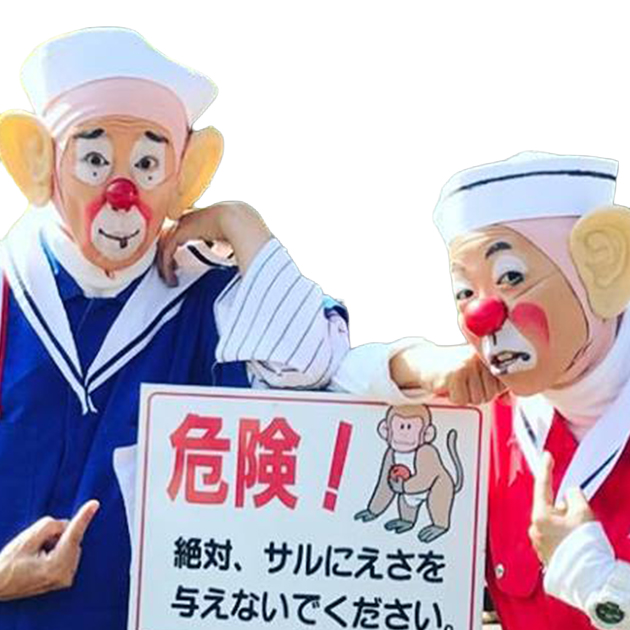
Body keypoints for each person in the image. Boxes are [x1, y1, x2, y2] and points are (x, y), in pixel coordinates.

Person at [0, 27, 349, 629]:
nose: (121, 193)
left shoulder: (205, 299)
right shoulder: (9, 298)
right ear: (39, 161)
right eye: (93, 161)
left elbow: (310, 369)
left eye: (147, 164)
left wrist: (242, 224)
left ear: (186, 175)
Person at [334, 151, 630, 629]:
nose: (481, 316)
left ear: (604, 266)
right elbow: (335, 382)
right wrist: (420, 363)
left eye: (511, 278)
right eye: (464, 293)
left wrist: (600, 583)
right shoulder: (488, 416)